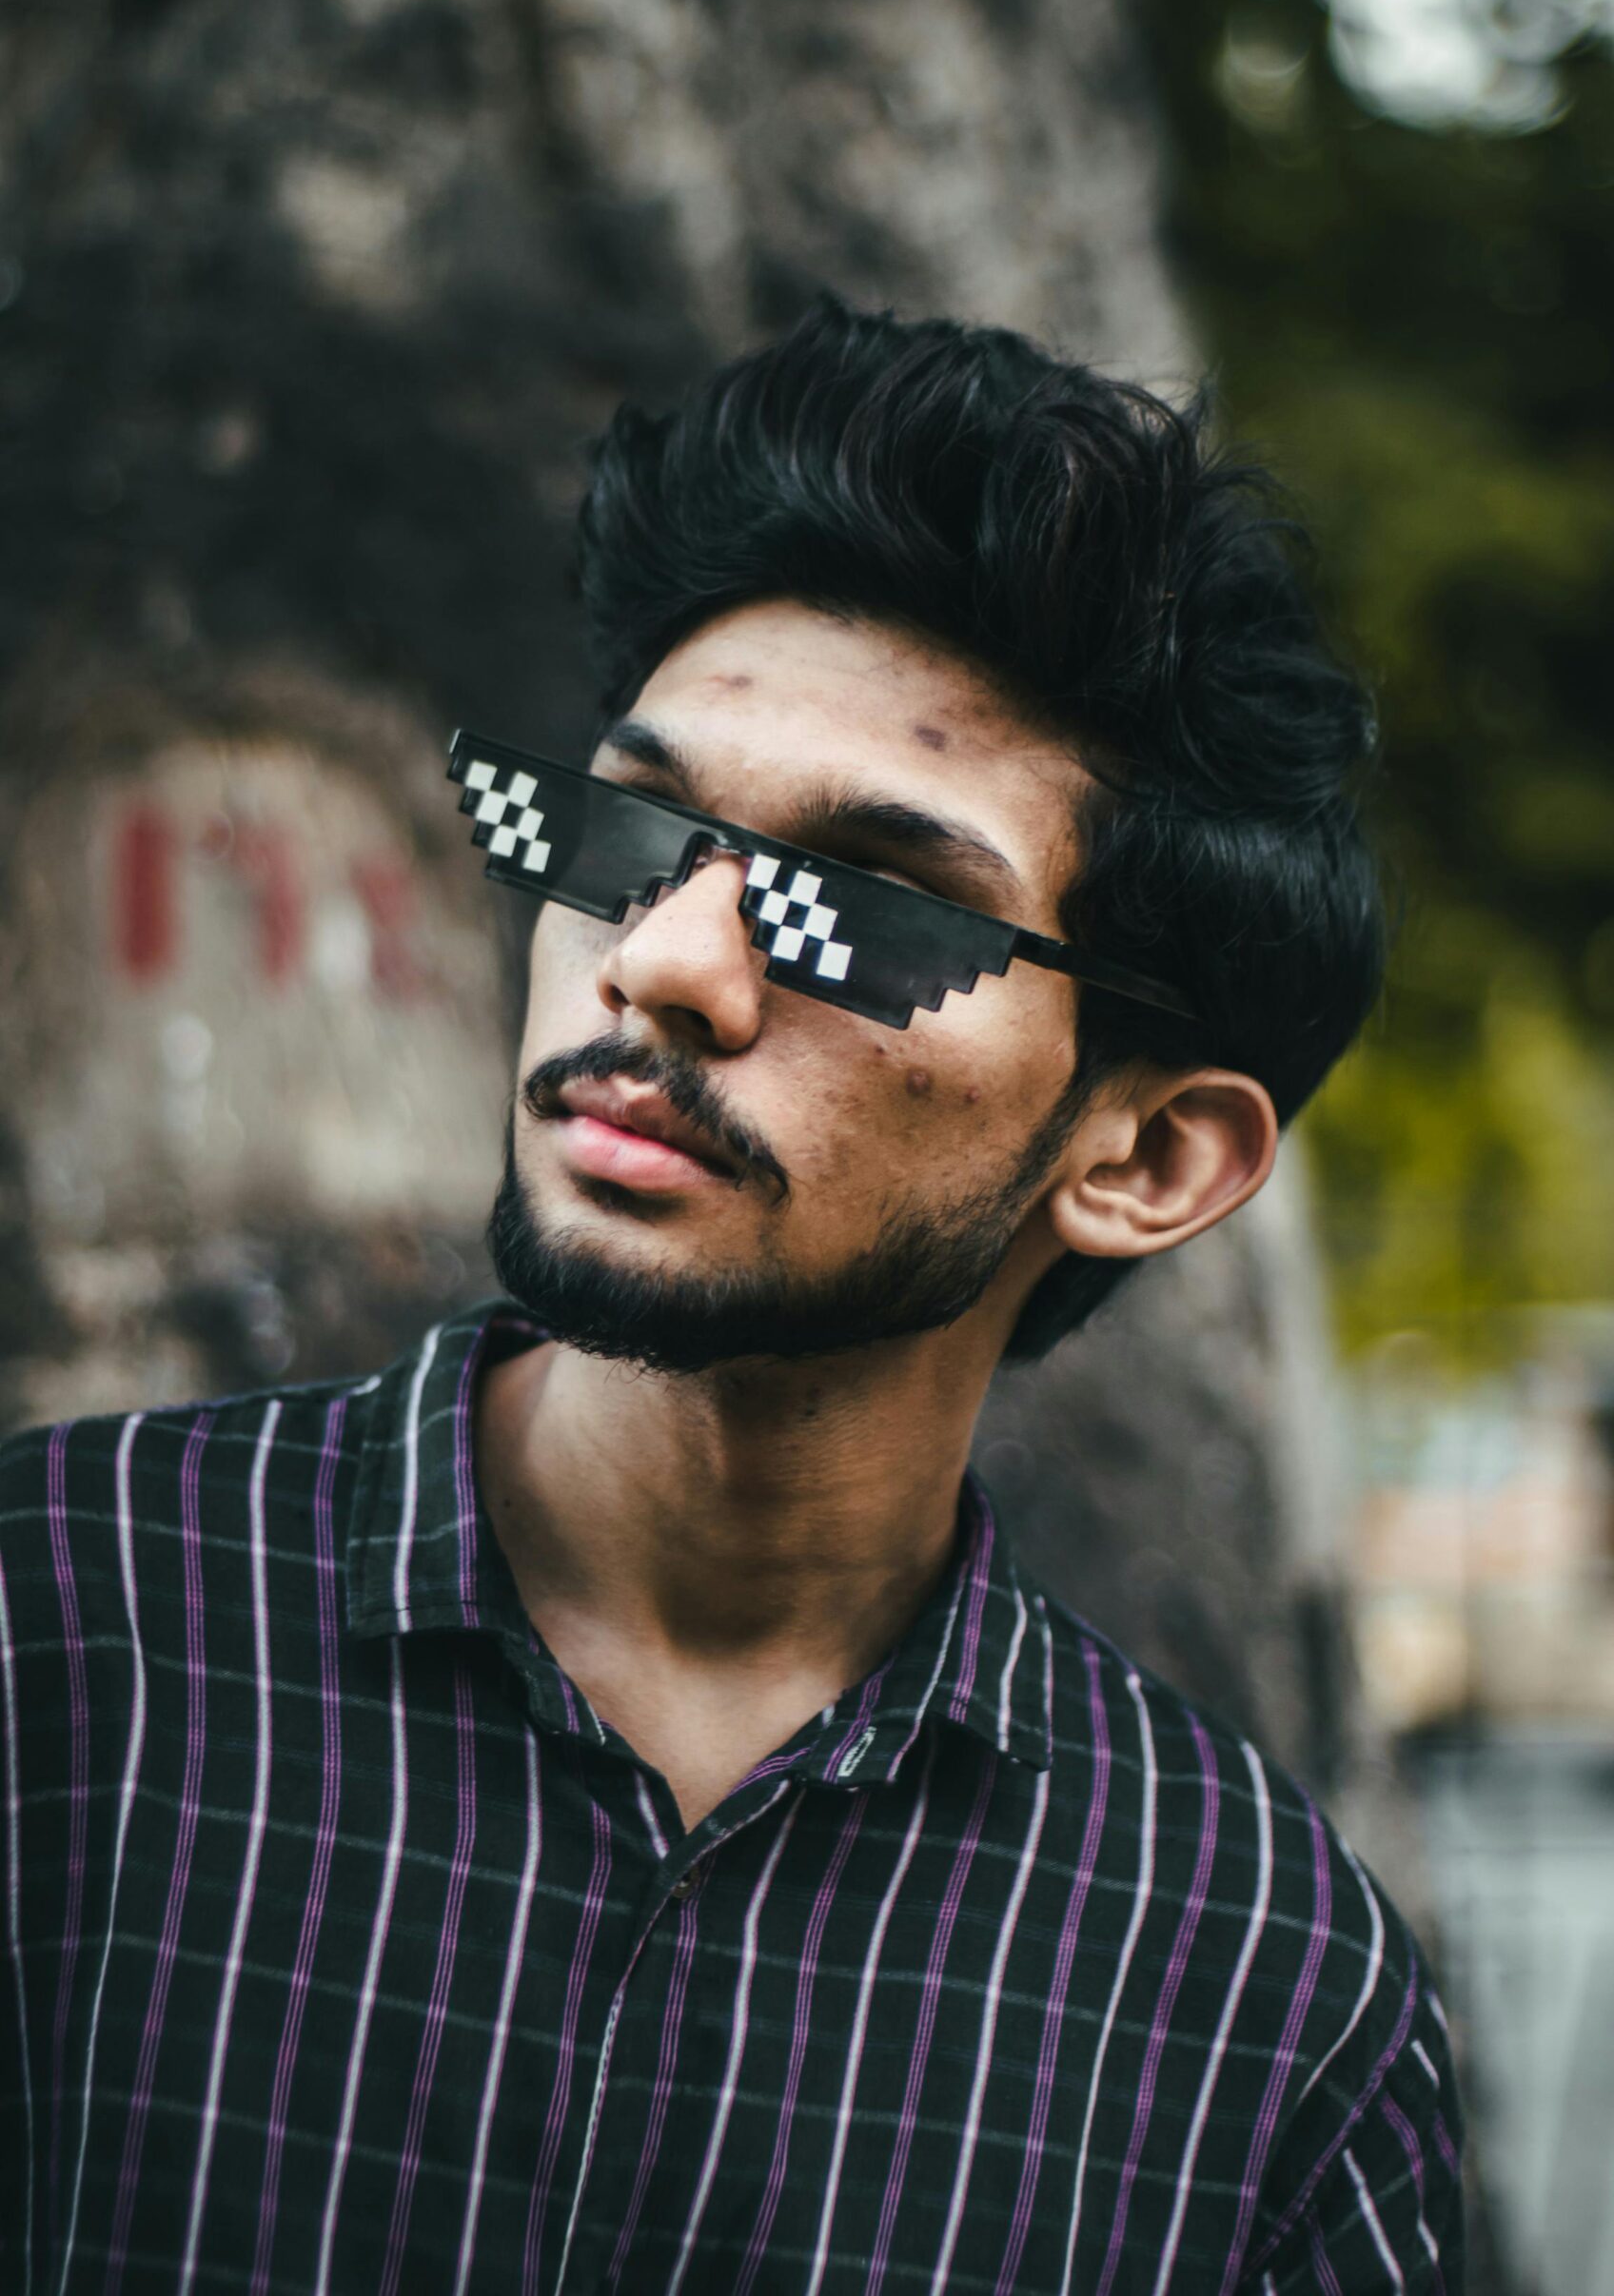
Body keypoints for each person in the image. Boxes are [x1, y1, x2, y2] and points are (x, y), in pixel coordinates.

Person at [0, 300, 1462, 2293]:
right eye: (632, 829)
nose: (662, 963)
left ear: (1137, 1159)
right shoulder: (61, 1647)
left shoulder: (1245, 1990)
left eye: (857, 904)